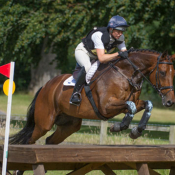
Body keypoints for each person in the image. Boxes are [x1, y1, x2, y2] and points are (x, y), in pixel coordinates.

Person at [70, 15, 129, 105]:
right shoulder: (99, 35)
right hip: (84, 52)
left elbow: (124, 53)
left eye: (122, 31)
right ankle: (75, 94)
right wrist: (118, 54)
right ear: (111, 29)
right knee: (87, 67)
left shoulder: (120, 38)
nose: (120, 33)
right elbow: (102, 58)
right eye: (118, 31)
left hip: (96, 56)